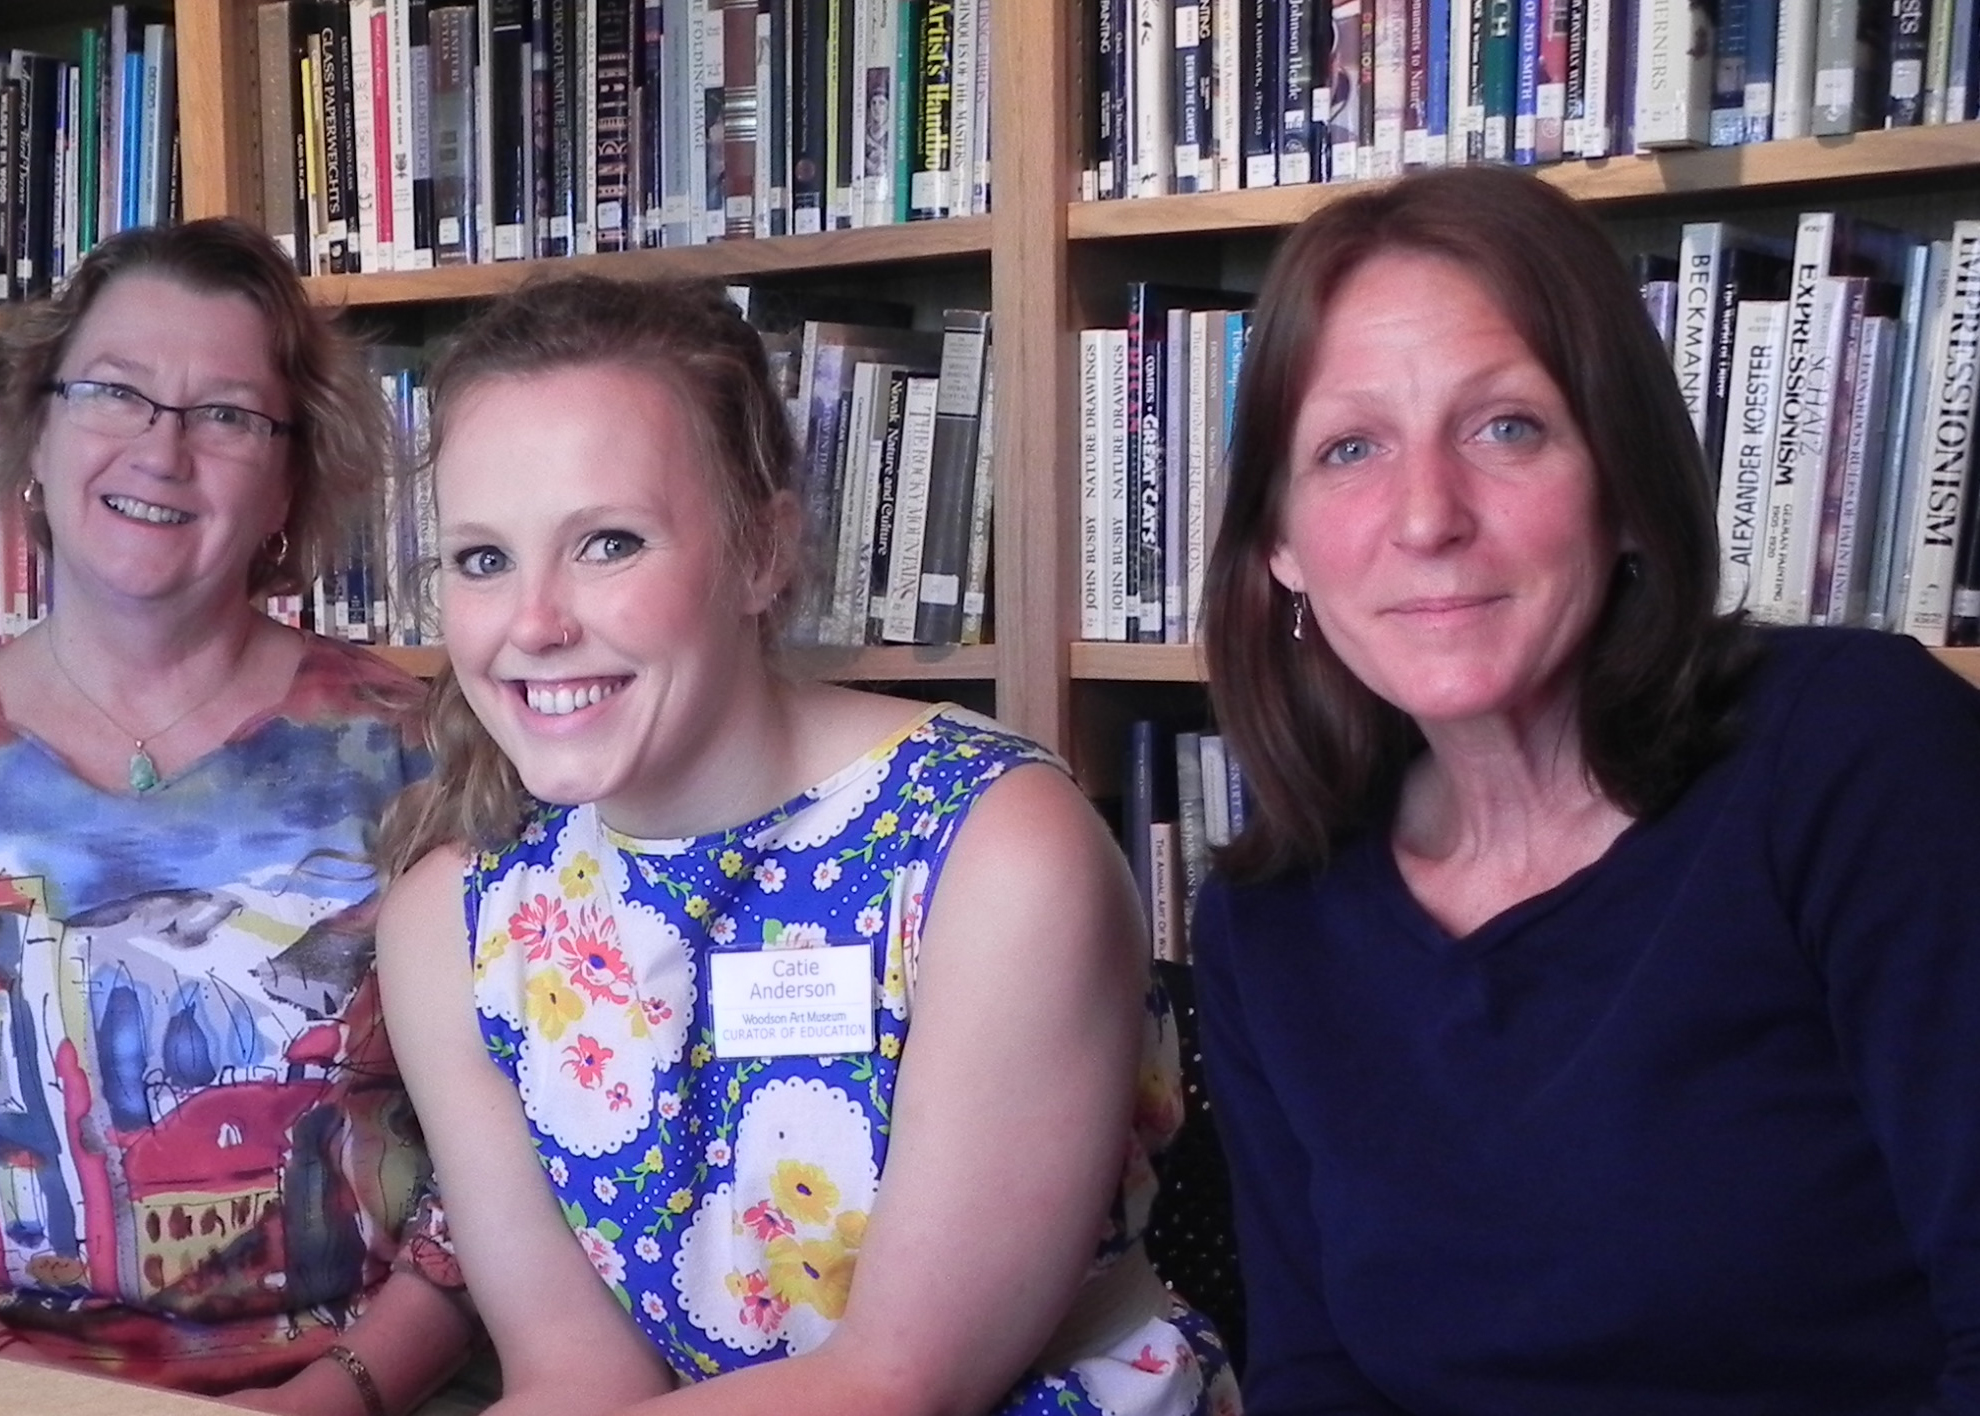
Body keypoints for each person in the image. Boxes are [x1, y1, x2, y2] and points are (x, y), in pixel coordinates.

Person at [371, 275, 1239, 1416]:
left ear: (762, 553)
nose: (533, 623)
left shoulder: (991, 849)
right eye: (483, 559)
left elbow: (900, 1384)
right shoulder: (454, 928)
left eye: (609, 544)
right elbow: (576, 1378)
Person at [1194, 163, 1980, 1414]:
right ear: (1280, 544)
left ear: (1623, 485)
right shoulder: (1269, 919)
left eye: (1506, 427)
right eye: (1349, 449)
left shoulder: (1858, 755)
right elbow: (1315, 1381)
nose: (1426, 518)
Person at [0, 217, 474, 1416]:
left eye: (228, 415)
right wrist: (7, 1388)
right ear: (36, 431)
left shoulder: (419, 757)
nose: (164, 449)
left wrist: (336, 1397)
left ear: (292, 477)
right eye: (116, 394)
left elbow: (509, 1155)